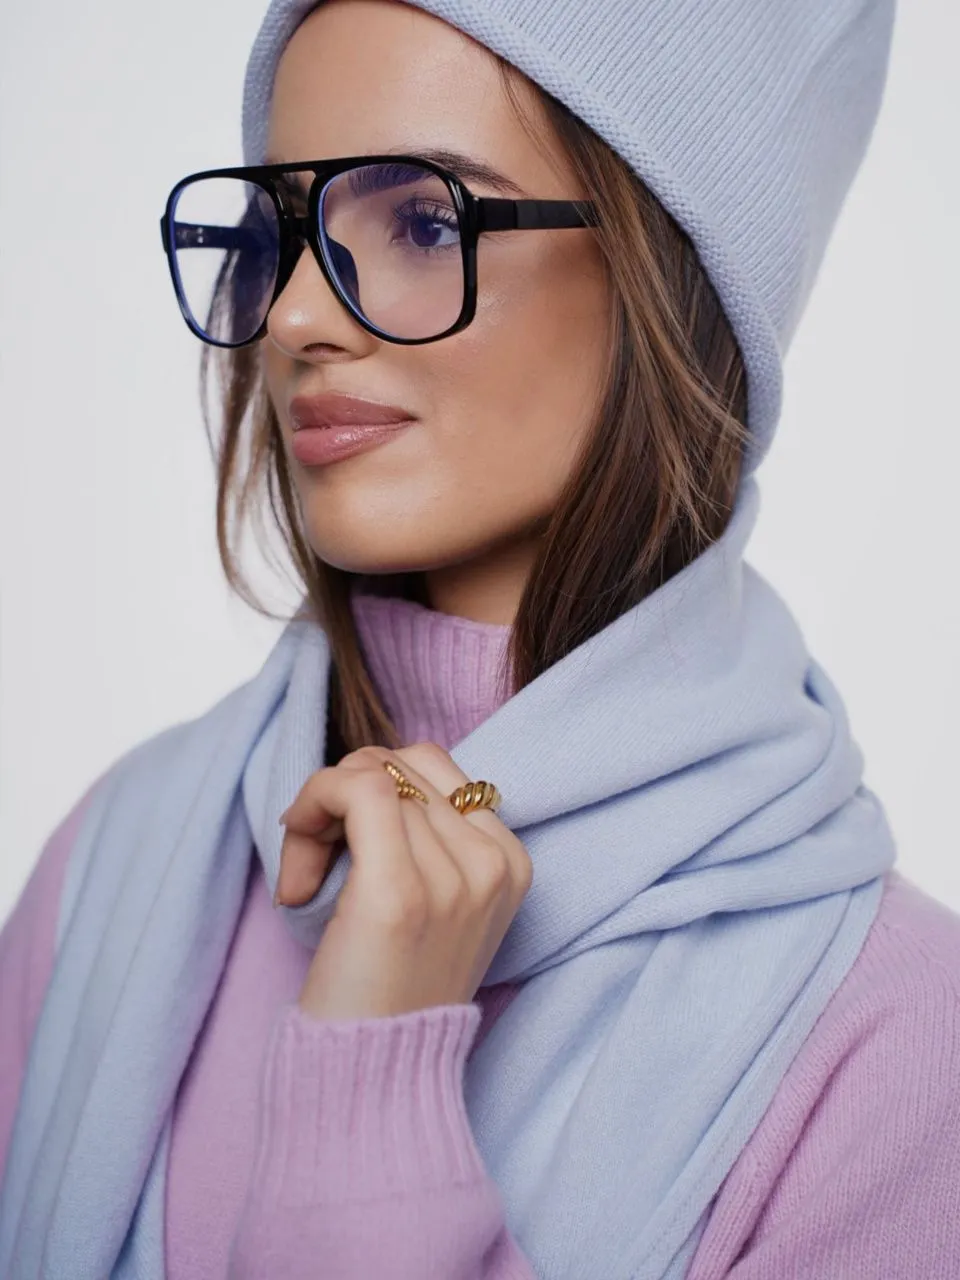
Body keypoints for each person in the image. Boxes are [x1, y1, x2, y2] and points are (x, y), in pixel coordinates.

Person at [2, 0, 959, 1276]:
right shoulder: (113, 862)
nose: (294, 316)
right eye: (283, 231)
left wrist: (367, 1098)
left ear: (676, 273)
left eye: (424, 223)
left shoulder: (897, 1042)